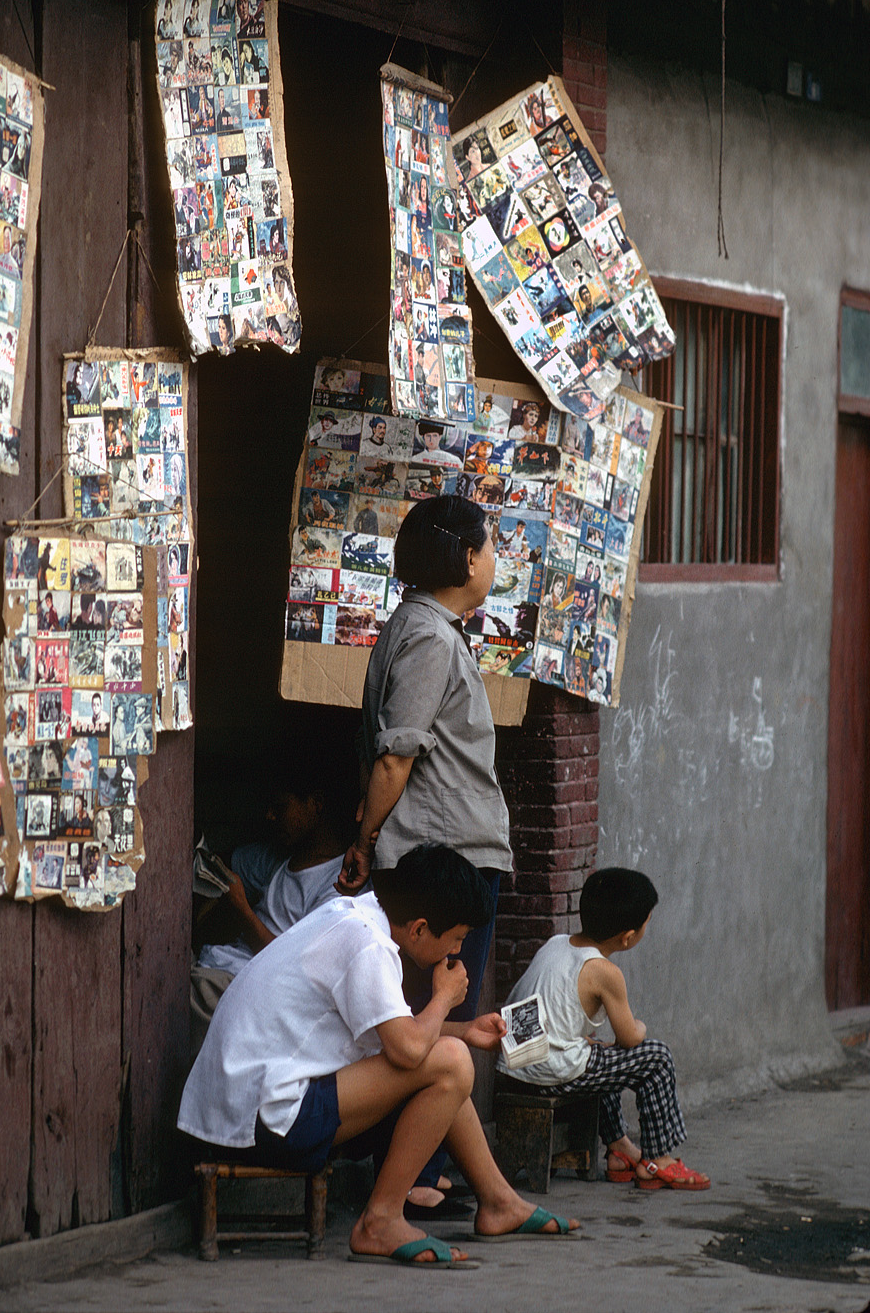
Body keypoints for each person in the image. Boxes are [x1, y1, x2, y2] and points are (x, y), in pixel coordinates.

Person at [179, 844, 577, 1265]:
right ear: (420, 928)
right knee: (450, 1063)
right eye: (456, 939)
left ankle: (499, 1202)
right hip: (263, 1118)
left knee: (447, 1053)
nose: (455, 953)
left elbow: (393, 1032)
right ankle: (380, 1219)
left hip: (247, 1107)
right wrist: (443, 1000)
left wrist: (463, 1028)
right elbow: (407, 1049)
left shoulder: (358, 917)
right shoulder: (367, 943)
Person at [337, 493, 513, 1212]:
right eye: (492, 545)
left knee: (437, 1015)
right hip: (442, 860)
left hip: (450, 853)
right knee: (432, 1018)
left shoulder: (430, 629)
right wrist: (364, 839)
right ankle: (418, 1183)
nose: (495, 559)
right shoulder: (430, 637)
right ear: (467, 559)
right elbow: (395, 757)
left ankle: (428, 1175)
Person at [499, 867, 711, 1191]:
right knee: (655, 1057)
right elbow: (629, 1038)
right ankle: (657, 1159)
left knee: (599, 1052)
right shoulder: (604, 970)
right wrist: (640, 1026)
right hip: (551, 1073)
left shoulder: (556, 944)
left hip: (517, 1064)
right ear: (627, 937)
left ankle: (619, 1149)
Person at [190, 752, 357, 1052]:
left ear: (316, 805)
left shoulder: (337, 885)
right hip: (219, 965)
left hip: (250, 987)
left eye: (280, 807)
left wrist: (242, 909)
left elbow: (297, 967)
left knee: (174, 1000)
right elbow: (227, 863)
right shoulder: (281, 858)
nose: (270, 816)